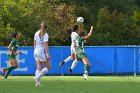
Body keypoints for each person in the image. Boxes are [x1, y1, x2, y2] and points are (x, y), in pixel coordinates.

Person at [34, 21, 50, 86]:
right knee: (48, 67)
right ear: (46, 28)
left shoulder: (36, 33)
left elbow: (34, 44)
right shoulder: (46, 35)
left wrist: (35, 51)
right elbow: (45, 45)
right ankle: (37, 78)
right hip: (41, 51)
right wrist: (47, 54)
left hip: (35, 50)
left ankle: (37, 83)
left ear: (41, 26)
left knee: (39, 67)